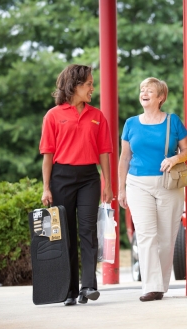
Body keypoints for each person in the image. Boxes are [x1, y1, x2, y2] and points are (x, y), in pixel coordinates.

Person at [40, 64, 113, 306]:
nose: (93, 87)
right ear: (75, 86)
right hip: (61, 177)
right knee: (67, 234)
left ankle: (89, 286)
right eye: (89, 84)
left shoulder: (97, 116)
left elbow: (104, 152)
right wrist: (46, 187)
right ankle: (69, 290)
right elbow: (48, 155)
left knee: (88, 231)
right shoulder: (53, 115)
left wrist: (107, 183)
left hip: (89, 178)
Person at [118, 77, 187, 302]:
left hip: (168, 184)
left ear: (161, 97)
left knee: (167, 237)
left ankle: (161, 284)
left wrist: (175, 158)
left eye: (150, 90)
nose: (144, 93)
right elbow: (125, 157)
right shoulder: (131, 123)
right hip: (138, 184)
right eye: (142, 90)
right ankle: (151, 287)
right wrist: (121, 189)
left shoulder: (173, 121)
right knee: (146, 235)